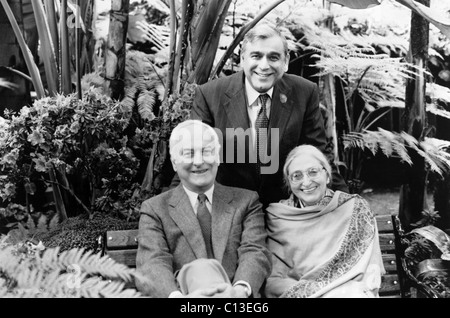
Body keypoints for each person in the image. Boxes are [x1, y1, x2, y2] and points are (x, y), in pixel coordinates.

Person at [189, 22, 348, 209]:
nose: (264, 66)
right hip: (229, 211)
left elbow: (320, 155)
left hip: (285, 210)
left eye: (273, 57)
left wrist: (347, 202)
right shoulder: (209, 95)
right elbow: (192, 159)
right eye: (256, 56)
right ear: (242, 59)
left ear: (285, 61)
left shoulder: (304, 92)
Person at [135, 119, 271, 298]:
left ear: (218, 158)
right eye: (189, 153)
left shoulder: (246, 201)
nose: (198, 161)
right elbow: (152, 263)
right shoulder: (155, 209)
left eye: (206, 151)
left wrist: (239, 292)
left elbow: (254, 251)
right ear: (174, 162)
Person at [264, 145, 385, 298]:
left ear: (327, 176)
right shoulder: (278, 217)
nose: (306, 182)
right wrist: (323, 292)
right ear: (289, 183)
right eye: (297, 176)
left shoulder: (355, 208)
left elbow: (371, 270)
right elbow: (275, 280)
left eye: (313, 172)